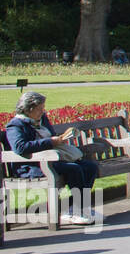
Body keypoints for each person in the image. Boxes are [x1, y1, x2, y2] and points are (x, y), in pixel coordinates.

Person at [5, 91, 100, 225]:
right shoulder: (15, 125)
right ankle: (74, 210)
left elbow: (51, 135)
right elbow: (20, 147)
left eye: (43, 108)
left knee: (90, 167)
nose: (42, 111)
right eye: (39, 109)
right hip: (31, 166)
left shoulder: (42, 119)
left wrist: (61, 139)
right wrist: (50, 142)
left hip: (52, 159)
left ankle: (75, 207)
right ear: (28, 109)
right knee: (74, 169)